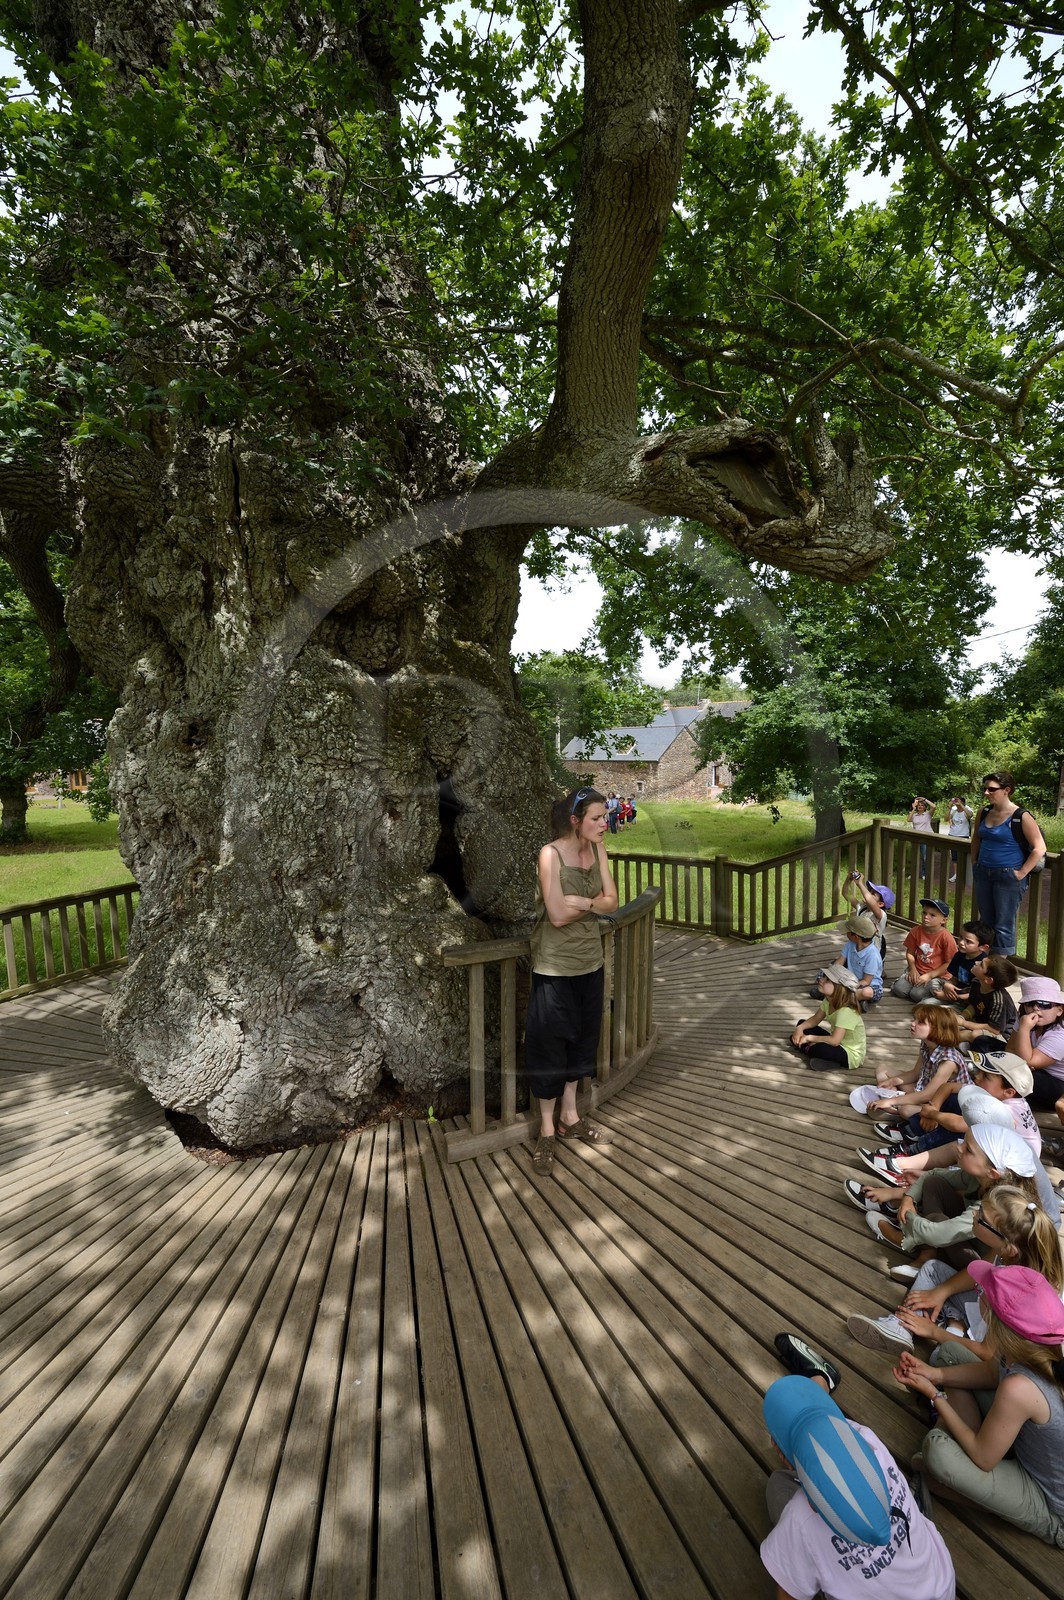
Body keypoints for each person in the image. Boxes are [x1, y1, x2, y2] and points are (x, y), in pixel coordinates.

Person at [760, 1343, 956, 1600]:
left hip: (803, 1522)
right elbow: (830, 1427)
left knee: (778, 1486)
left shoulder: (800, 1520)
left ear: (781, 1451)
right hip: (941, 1588)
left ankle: (821, 1378)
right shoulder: (868, 1440)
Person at [895, 1261, 1064, 1547]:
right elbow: (990, 1373)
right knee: (950, 1352)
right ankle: (962, 1459)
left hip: (1051, 1506)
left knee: (936, 1453)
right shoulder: (1031, 1347)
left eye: (983, 1292)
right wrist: (934, 1374)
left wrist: (935, 1394)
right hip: (1019, 1445)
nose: (979, 1291)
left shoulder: (1019, 1388)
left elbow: (984, 1458)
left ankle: (953, 1473)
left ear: (997, 1319)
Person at [847, 1172, 1064, 1358]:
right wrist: (941, 1292)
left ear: (1009, 1246)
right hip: (984, 1312)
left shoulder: (1020, 1292)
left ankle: (948, 1327)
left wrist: (933, 1332)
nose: (975, 1215)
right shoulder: (1007, 1252)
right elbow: (975, 1275)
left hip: (994, 1352)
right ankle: (907, 1326)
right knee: (933, 1269)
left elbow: (987, 1353)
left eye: (982, 1218)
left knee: (943, 1356)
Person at [525, 786, 618, 1176]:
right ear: (575, 821)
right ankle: (546, 1131)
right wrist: (591, 904)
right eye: (597, 818)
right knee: (551, 1045)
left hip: (589, 963)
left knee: (582, 1041)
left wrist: (584, 901)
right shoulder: (550, 854)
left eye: (605, 816)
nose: (605, 824)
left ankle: (570, 1118)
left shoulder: (598, 851)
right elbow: (557, 915)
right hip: (554, 967)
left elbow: (613, 900)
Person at [862, 1003, 969, 1149]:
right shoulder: (926, 1045)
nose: (912, 1024)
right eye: (914, 1019)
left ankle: (893, 1108)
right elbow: (915, 1073)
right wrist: (891, 1081)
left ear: (937, 1029)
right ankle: (892, 1099)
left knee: (905, 1110)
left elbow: (928, 1095)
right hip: (925, 1088)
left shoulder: (949, 1061)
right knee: (882, 1069)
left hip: (941, 1106)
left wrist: (892, 1101)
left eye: (920, 1022)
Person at [970, 770, 1045, 956]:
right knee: (985, 921)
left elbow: (1039, 848)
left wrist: (1020, 874)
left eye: (992, 789)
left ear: (1007, 790)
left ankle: (998, 969)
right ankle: (983, 964)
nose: (986, 793)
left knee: (1003, 923)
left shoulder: (1021, 816)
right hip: (983, 872)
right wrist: (975, 862)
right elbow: (976, 839)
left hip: (1007, 876)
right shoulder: (984, 811)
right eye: (985, 788)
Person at [1005, 975, 1064, 1136]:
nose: (1036, 1009)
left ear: (1059, 1010)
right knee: (984, 1042)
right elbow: (1009, 1049)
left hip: (1058, 1085)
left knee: (1025, 1076)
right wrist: (1017, 1064)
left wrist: (1024, 1029)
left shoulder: (1059, 1036)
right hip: (1032, 1067)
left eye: (1045, 1004)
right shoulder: (1025, 1019)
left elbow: (1027, 1060)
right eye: (1030, 1004)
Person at [790, 964, 866, 1071]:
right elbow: (815, 1019)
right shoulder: (828, 1000)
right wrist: (800, 1029)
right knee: (802, 1023)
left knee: (820, 1049)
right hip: (836, 1042)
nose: (821, 980)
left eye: (828, 980)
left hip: (850, 1054)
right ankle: (809, 1048)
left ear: (839, 988)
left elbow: (834, 1041)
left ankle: (809, 1048)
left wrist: (809, 1038)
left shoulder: (846, 1011)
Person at [891, 899, 956, 1003]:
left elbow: (950, 963)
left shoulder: (946, 937)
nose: (926, 916)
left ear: (943, 920)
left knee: (916, 995)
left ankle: (939, 993)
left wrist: (929, 975)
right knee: (899, 989)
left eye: (932, 915)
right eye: (924, 913)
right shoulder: (915, 931)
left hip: (937, 975)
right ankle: (906, 981)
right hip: (918, 970)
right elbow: (910, 953)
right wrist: (912, 969)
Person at [809, 912, 883, 1003]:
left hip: (865, 985)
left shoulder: (872, 955)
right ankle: (853, 1000)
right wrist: (830, 977)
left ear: (855, 936)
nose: (845, 933)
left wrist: (847, 985)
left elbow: (866, 981)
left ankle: (832, 995)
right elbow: (838, 963)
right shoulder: (850, 945)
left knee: (867, 993)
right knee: (821, 975)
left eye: (847, 931)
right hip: (848, 978)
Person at [954, 954, 1019, 1052]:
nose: (976, 962)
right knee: (947, 1013)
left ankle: (952, 1039)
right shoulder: (977, 982)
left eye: (981, 965)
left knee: (975, 1034)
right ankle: (962, 1042)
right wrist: (962, 1017)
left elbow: (994, 1029)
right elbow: (974, 1005)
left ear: (988, 980)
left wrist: (963, 1023)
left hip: (1001, 1036)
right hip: (979, 1022)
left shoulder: (1000, 1001)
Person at [946, 796, 973, 886]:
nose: (956, 802)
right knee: (954, 857)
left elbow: (970, 815)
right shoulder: (953, 810)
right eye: (955, 800)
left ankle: (964, 875)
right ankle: (956, 874)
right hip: (953, 834)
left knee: (963, 856)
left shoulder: (967, 808)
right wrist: (949, 807)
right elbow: (946, 819)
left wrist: (961, 805)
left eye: (959, 800)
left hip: (963, 835)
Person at [907, 796, 936, 875]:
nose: (920, 806)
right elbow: (908, 819)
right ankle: (913, 873)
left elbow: (933, 806)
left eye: (922, 805)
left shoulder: (928, 814)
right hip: (916, 838)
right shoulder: (914, 815)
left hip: (926, 838)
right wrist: (913, 808)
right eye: (919, 805)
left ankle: (924, 873)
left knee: (924, 857)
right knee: (914, 857)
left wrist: (925, 799)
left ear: (925, 807)